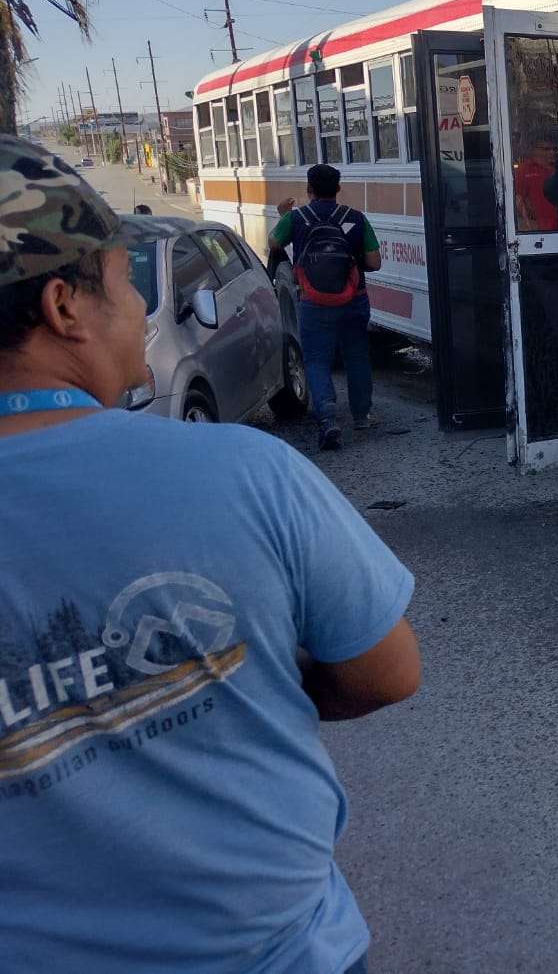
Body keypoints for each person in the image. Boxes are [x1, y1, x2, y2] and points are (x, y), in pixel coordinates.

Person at [0, 137, 420, 974]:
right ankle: (353, 415)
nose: (136, 311)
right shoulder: (243, 469)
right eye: (125, 285)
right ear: (64, 307)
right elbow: (387, 671)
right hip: (282, 952)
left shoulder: (295, 223)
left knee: (326, 366)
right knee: (345, 369)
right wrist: (229, 670)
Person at [268, 163, 382, 451]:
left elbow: (273, 244)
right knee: (356, 356)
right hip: (353, 298)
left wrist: (284, 216)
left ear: (309, 190)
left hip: (314, 302)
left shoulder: (296, 218)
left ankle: (328, 419)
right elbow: (374, 262)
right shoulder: (355, 218)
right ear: (338, 189)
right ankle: (361, 416)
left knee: (316, 359)